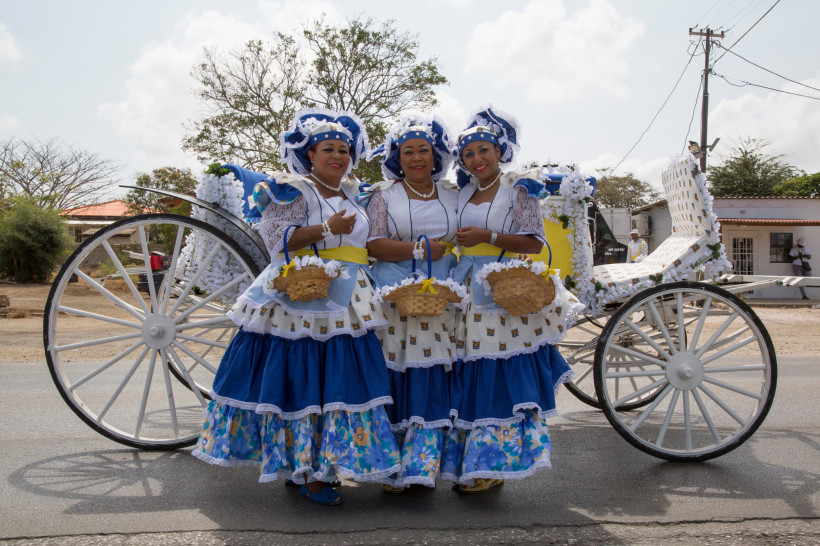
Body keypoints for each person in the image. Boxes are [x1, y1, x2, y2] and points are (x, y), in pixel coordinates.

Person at [192, 108, 400, 506]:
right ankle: (305, 470)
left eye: (344, 149)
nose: (337, 156)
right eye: (328, 149)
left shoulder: (353, 195)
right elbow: (276, 242)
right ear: (310, 155)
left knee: (339, 382)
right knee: (305, 382)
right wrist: (326, 229)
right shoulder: (292, 189)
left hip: (350, 298)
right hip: (303, 295)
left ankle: (318, 465)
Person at [442, 107, 583, 493]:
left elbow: (534, 241)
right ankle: (472, 462)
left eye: (483, 151)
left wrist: (487, 238)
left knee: (497, 376)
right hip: (465, 288)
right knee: (469, 375)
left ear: (499, 151)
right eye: (468, 154)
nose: (476, 160)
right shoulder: (466, 191)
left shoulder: (518, 187)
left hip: (502, 291)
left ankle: (494, 464)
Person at [365, 114, 460, 492]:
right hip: (396, 295)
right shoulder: (383, 196)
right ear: (397, 158)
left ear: (436, 156)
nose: (417, 157)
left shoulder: (454, 194)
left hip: (443, 295)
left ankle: (423, 463)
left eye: (424, 150)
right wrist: (419, 248)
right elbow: (373, 244)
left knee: (433, 374)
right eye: (408, 151)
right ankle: (392, 465)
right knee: (397, 373)